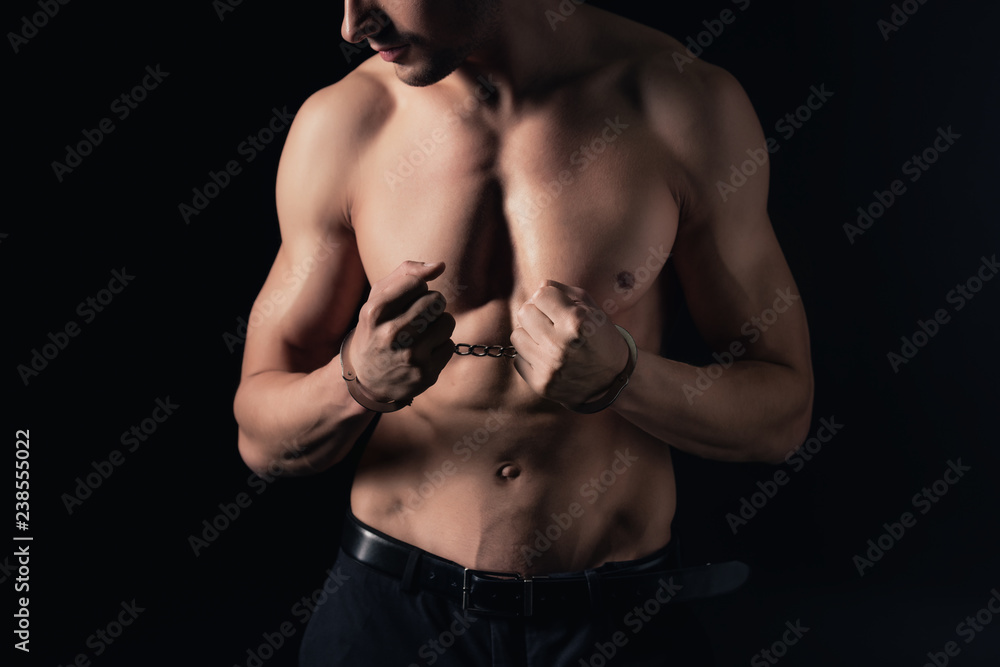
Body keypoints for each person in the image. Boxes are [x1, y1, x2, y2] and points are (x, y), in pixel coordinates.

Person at [233, 0, 814, 664]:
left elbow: (782, 411)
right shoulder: (342, 125)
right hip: (393, 617)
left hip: (612, 619)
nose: (353, 24)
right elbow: (259, 434)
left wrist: (625, 378)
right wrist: (354, 383)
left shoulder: (682, 103)